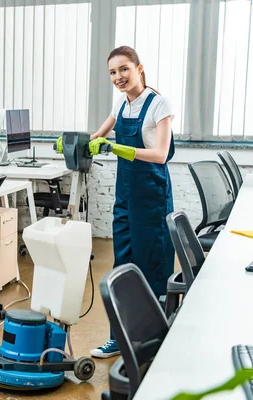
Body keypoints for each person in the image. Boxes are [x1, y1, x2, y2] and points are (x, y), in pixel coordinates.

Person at [55, 45, 175, 358]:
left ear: (139, 68)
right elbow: (97, 138)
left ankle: (154, 342)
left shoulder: (158, 105)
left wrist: (117, 149)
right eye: (112, 72)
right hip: (124, 202)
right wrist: (71, 142)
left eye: (124, 69)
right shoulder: (121, 105)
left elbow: (160, 155)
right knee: (122, 269)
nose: (118, 77)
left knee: (152, 269)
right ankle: (119, 339)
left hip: (152, 201)